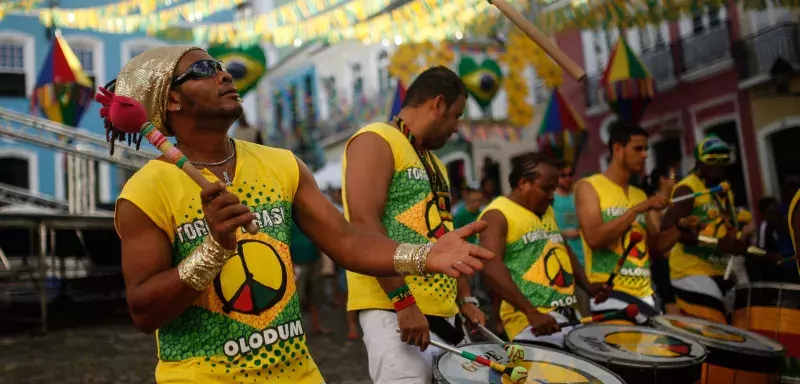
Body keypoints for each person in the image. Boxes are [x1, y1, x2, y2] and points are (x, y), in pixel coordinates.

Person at [112, 47, 492, 383]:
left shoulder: (281, 164)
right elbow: (144, 312)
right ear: (172, 100)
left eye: (220, 65)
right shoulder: (147, 190)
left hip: (297, 373)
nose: (223, 74)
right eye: (203, 71)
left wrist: (423, 256)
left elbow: (347, 242)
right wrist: (213, 249)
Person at [343, 66, 486, 384]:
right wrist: (404, 302)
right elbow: (365, 225)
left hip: (444, 314)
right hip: (394, 312)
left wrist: (465, 300)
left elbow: (443, 231)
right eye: (456, 116)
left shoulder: (433, 162)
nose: (455, 129)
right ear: (437, 104)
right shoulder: (375, 139)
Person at [479, 153, 610, 348]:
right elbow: (491, 267)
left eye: (554, 189)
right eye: (546, 189)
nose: (551, 195)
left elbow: (561, 247)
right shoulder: (497, 214)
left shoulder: (545, 210)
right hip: (531, 323)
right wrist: (531, 312)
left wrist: (588, 286)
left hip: (566, 317)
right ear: (523, 183)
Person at [575, 122, 668, 324]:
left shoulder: (640, 194)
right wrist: (635, 210)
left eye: (646, 149)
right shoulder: (589, 186)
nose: (644, 155)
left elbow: (656, 249)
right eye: (638, 149)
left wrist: (679, 224)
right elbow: (594, 238)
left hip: (646, 297)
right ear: (617, 149)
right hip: (611, 298)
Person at [659, 135, 750, 324]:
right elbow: (667, 228)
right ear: (700, 162)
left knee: (743, 329)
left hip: (722, 271)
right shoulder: (688, 189)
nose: (719, 164)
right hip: (691, 272)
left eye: (724, 159)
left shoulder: (724, 191)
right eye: (712, 159)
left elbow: (728, 227)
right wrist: (718, 243)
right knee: (718, 332)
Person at [642, 166, 685, 315]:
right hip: (664, 265)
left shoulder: (673, 202)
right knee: (672, 308)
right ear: (662, 179)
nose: (677, 178)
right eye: (673, 175)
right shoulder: (654, 206)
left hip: (679, 264)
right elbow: (655, 238)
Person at [552, 160, 589, 315]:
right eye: (563, 175)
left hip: (584, 258)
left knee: (586, 306)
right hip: (562, 260)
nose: (567, 178)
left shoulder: (578, 195)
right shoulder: (552, 198)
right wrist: (565, 233)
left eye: (570, 174)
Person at [290, 219, 330, 334]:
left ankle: (316, 325)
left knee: (316, 294)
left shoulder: (308, 213)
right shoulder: (287, 216)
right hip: (297, 262)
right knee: (299, 297)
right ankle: (299, 331)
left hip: (314, 259)